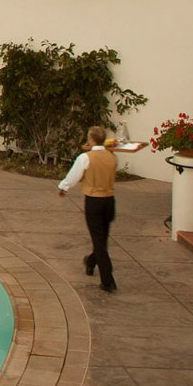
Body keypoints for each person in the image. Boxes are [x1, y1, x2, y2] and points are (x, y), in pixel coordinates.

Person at [58, 125, 120, 292]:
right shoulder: (112, 157)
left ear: (91, 139)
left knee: (99, 241)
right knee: (102, 238)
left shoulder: (86, 158)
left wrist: (64, 187)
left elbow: (74, 175)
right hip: (109, 200)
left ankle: (108, 280)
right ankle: (91, 261)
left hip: (94, 201)